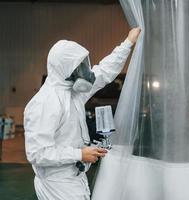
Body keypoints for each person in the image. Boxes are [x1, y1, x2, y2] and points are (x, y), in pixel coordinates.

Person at [24, 27, 141, 200]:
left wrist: (128, 42)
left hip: (73, 177)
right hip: (58, 184)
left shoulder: (72, 91)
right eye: (80, 67)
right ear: (65, 68)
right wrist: (79, 154)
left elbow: (104, 72)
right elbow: (37, 153)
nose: (86, 71)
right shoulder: (46, 102)